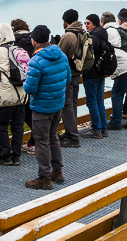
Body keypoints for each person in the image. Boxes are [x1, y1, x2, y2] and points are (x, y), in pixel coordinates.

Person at [22, 25, 70, 190]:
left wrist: (25, 82)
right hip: (58, 104)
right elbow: (68, 78)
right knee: (53, 137)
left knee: (41, 141)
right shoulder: (61, 55)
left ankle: (44, 177)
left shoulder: (36, 60)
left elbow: (30, 88)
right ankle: (57, 171)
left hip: (42, 106)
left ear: (34, 40)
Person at [0, 23, 28, 166]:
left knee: (0, 124)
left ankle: (4, 156)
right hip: (21, 94)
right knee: (18, 125)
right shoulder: (19, 49)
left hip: (6, 96)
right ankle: (16, 156)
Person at [57, 10, 87, 147]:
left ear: (65, 20)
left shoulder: (68, 35)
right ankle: (72, 131)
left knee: (66, 105)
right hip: (78, 73)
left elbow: (60, 56)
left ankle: (72, 137)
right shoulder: (82, 32)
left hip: (68, 74)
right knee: (73, 103)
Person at [81, 14, 110, 138]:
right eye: (85, 23)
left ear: (94, 24)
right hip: (101, 73)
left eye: (88, 23)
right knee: (99, 101)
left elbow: (88, 57)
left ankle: (96, 129)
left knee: (92, 102)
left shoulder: (92, 38)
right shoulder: (103, 35)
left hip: (92, 73)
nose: (86, 25)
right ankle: (103, 127)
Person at [11, 20, 36, 153]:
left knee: (21, 115)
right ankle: (34, 141)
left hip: (19, 82)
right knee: (33, 112)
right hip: (35, 79)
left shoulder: (14, 42)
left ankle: (20, 147)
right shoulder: (34, 38)